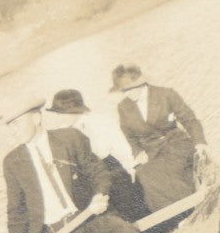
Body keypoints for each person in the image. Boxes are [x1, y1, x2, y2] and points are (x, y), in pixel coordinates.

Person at [1, 102, 151, 233]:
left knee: (123, 229)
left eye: (16, 123)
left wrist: (100, 194)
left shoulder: (70, 138)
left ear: (36, 118)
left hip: (89, 218)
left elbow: (99, 172)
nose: (12, 131)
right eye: (9, 126)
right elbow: (17, 212)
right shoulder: (12, 162)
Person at [110, 63, 207, 212]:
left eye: (130, 89)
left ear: (141, 83)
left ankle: (190, 206)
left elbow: (189, 120)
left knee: (163, 170)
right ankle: (173, 214)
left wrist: (200, 142)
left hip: (176, 144)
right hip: (151, 152)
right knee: (142, 174)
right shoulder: (123, 107)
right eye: (124, 91)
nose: (128, 94)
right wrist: (138, 152)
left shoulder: (166, 94)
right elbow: (129, 137)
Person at [43, 88, 148, 222]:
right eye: (58, 114)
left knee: (122, 194)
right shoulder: (61, 132)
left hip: (109, 166)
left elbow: (119, 146)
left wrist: (130, 166)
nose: (60, 118)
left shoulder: (98, 122)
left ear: (75, 110)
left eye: (63, 113)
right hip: (84, 175)